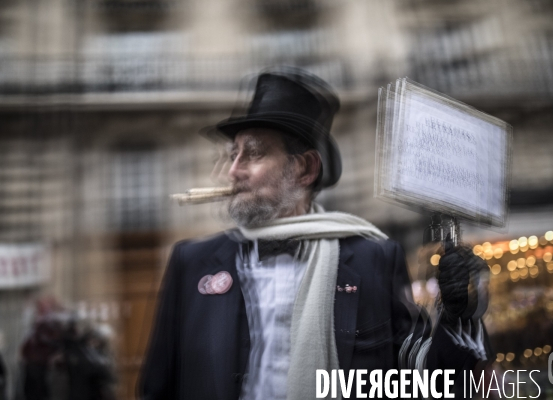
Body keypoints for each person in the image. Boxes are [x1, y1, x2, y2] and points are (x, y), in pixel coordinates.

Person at [138, 68, 491, 400]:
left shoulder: (373, 259)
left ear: (304, 168)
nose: (233, 171)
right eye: (233, 155)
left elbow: (426, 383)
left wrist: (460, 316)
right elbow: (157, 388)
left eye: (254, 154)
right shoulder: (193, 263)